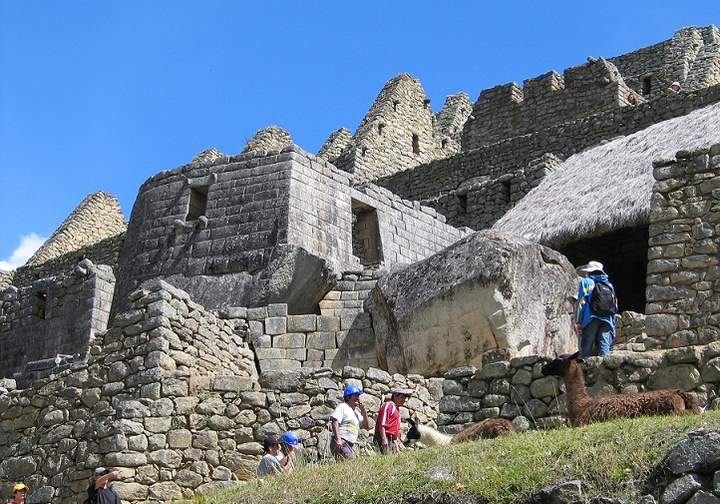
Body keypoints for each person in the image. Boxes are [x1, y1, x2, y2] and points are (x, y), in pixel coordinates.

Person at [575, 260, 617, 358]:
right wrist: (613, 324)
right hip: (607, 320)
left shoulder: (586, 282)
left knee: (586, 347)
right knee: (604, 349)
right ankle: (603, 372)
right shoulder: (609, 285)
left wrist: (578, 321)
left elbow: (581, 302)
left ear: (589, 271)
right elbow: (615, 305)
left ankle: (584, 371)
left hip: (590, 318)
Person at [330, 384, 370, 460]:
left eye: (358, 395)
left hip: (349, 444)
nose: (358, 398)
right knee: (350, 462)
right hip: (342, 441)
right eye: (355, 395)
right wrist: (338, 439)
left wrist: (364, 412)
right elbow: (335, 421)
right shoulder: (343, 407)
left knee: (344, 466)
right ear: (348, 397)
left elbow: (367, 427)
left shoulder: (357, 413)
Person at [374, 389, 411, 454]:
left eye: (405, 398)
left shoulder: (396, 409)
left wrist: (396, 447)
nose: (404, 400)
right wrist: (384, 439)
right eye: (401, 397)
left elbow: (394, 430)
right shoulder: (388, 405)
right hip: (384, 437)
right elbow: (382, 423)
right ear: (395, 396)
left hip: (391, 440)